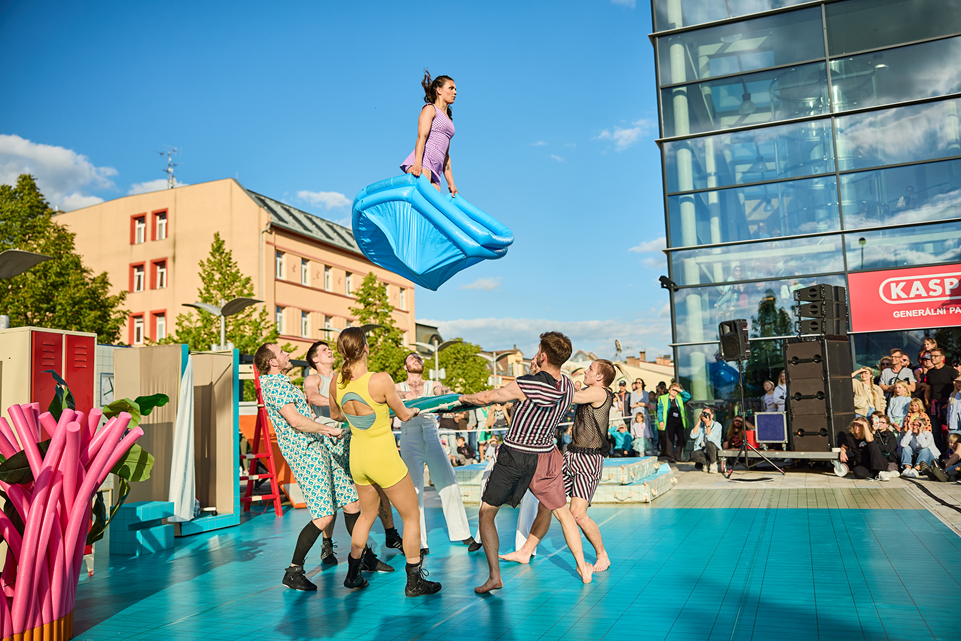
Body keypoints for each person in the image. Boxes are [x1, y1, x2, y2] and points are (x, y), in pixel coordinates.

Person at [459, 331, 595, 593]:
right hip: (546, 455)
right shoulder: (567, 385)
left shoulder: (526, 384)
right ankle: (582, 567)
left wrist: (463, 398)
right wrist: (537, 373)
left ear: (542, 356)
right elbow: (548, 389)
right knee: (563, 513)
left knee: (487, 513)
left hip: (516, 455)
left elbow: (488, 397)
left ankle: (494, 577)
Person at [255, 343, 389, 592]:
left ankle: (363, 559)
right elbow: (295, 421)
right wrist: (328, 428)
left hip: (319, 447)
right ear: (273, 362)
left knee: (352, 502)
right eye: (282, 353)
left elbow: (303, 414)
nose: (287, 354)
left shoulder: (282, 383)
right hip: (306, 453)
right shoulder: (274, 384)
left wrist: (321, 425)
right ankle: (294, 571)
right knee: (324, 516)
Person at [327, 328, 441, 596]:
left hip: (359, 457)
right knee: (411, 515)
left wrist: (358, 416)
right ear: (365, 347)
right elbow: (403, 414)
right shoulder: (380, 380)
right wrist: (413, 409)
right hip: (383, 457)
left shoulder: (335, 382)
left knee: (366, 515)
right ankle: (414, 581)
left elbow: (336, 415)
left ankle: (353, 574)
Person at [504, 359, 617, 572]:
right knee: (546, 503)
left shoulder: (601, 393)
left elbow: (572, 397)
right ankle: (525, 552)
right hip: (572, 455)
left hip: (589, 460)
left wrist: (545, 382)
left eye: (590, 369)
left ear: (600, 378)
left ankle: (603, 556)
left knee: (577, 513)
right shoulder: (590, 390)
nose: (586, 370)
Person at [303, 340, 401, 563]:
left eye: (330, 348)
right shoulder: (315, 378)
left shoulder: (343, 377)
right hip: (329, 439)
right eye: (323, 350)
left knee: (369, 489)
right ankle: (328, 545)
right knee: (334, 497)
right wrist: (341, 403)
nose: (329, 350)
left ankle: (389, 533)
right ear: (315, 359)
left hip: (352, 437)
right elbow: (313, 397)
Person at [395, 352, 476, 554]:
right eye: (412, 358)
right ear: (405, 366)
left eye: (419, 358)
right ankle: (419, 542)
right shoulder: (398, 387)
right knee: (414, 490)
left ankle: (463, 533)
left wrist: (445, 392)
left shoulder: (432, 384)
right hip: (409, 433)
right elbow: (391, 395)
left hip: (431, 433)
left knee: (449, 482)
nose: (416, 359)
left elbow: (443, 390)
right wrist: (404, 396)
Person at [401, 71, 457, 195]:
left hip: (436, 169)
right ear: (439, 90)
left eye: (455, 89)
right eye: (451, 88)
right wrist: (417, 164)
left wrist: (451, 183)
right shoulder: (430, 109)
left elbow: (446, 155)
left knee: (431, 206)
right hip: (424, 161)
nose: (455, 92)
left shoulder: (449, 121)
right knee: (422, 198)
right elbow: (422, 137)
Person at [657, 383, 691, 463]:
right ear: (669, 390)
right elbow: (660, 410)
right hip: (669, 422)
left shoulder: (679, 398)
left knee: (681, 438)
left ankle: (677, 456)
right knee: (669, 439)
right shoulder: (663, 398)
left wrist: (680, 390)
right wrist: (661, 421)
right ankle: (670, 457)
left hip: (679, 422)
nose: (674, 392)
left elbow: (688, 396)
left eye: (676, 390)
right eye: (673, 390)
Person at [690, 408, 722, 473]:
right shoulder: (700, 425)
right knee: (693, 454)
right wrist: (699, 421)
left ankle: (713, 464)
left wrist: (707, 425)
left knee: (709, 443)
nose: (705, 415)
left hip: (714, 449)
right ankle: (706, 464)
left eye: (707, 414)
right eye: (703, 413)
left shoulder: (717, 425)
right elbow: (693, 436)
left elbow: (710, 439)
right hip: (703, 449)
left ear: (712, 416)